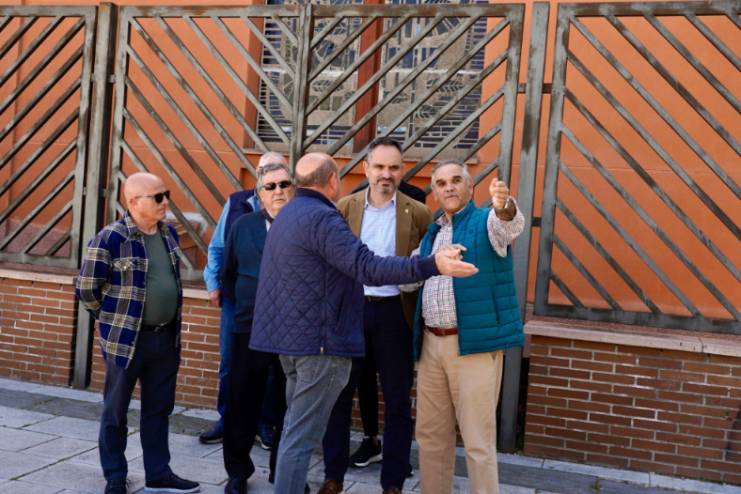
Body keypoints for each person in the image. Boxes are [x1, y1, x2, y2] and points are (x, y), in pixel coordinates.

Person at [248, 152, 478, 494]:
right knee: (300, 439)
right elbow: (367, 266)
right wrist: (433, 265)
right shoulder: (323, 218)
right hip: (320, 346)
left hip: (292, 344)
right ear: (332, 181)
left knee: (295, 433)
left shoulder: (288, 214)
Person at [76, 172, 200, 494]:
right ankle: (115, 476)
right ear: (133, 202)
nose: (165, 202)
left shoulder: (168, 234)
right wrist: (111, 319)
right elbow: (86, 289)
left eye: (166, 194)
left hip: (165, 339)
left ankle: (158, 473)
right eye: (157, 197)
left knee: (158, 410)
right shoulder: (111, 238)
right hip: (126, 341)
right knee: (116, 411)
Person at [319, 137, 430, 494]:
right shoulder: (344, 208)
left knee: (397, 400)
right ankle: (333, 477)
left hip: (395, 314)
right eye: (379, 167)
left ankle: (393, 482)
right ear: (366, 169)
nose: (386, 174)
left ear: (402, 170)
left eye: (393, 168)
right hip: (351, 311)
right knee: (339, 394)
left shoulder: (418, 212)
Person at [407, 160, 525, 494]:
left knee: (477, 441)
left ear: (470, 187)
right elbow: (408, 279)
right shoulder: (432, 234)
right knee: (430, 437)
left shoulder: (486, 221)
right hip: (431, 346)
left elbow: (509, 226)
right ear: (435, 192)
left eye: (456, 180)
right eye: (441, 183)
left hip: (473, 346)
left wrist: (504, 206)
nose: (449, 187)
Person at [220, 163, 306, 494]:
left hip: (293, 331)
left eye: (284, 184)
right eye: (270, 186)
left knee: (290, 405)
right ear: (259, 194)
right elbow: (229, 274)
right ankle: (237, 472)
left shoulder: (306, 225)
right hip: (250, 328)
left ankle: (282, 472)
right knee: (242, 400)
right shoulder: (243, 226)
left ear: (294, 189)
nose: (278, 191)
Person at [200, 151, 287, 445]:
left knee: (272, 369)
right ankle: (227, 419)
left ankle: (264, 423)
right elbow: (218, 247)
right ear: (258, 176)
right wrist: (214, 285)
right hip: (237, 302)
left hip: (277, 307)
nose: (275, 186)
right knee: (230, 363)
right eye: (266, 173)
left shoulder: (291, 210)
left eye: (279, 174)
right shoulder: (237, 202)